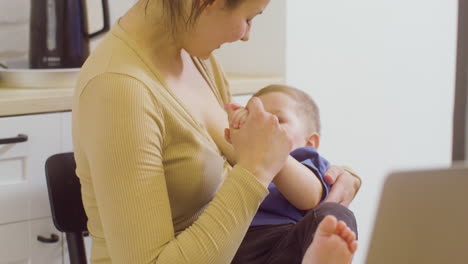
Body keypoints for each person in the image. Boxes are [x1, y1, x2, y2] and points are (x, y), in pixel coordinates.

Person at [71, 0, 362, 263]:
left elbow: (255, 154)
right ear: (206, 3)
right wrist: (255, 171)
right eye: (249, 18)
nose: (247, 35)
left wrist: (334, 177)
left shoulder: (194, 55)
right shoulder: (118, 89)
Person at [227, 85, 358, 263]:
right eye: (256, 119)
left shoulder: (307, 160)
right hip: (240, 244)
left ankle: (321, 255)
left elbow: (309, 198)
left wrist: (273, 153)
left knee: (335, 214)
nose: (267, 126)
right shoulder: (234, 162)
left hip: (288, 242)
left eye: (278, 119)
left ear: (310, 142)